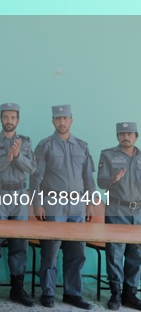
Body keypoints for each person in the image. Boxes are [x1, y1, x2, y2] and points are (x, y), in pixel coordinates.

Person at [30, 104, 95, 310]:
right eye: (58, 119)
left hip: (77, 206)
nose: (62, 122)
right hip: (53, 204)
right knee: (51, 251)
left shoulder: (82, 146)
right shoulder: (45, 146)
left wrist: (90, 203)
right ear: (53, 121)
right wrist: (37, 204)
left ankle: (72, 293)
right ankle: (48, 292)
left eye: (65, 118)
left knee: (77, 252)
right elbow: (36, 179)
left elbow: (88, 179)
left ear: (71, 120)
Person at [0, 103, 35, 306]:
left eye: (13, 117)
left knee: (19, 243)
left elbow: (32, 168)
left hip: (20, 195)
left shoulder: (26, 143)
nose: (9, 121)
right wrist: (7, 158)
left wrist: (18, 156)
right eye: (5, 117)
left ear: (18, 120)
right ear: (1, 119)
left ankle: (17, 289)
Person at [97, 122, 141, 311]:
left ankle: (130, 293)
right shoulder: (108, 154)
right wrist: (112, 179)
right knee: (115, 253)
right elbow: (100, 181)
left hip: (138, 212)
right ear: (117, 137)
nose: (126, 137)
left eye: (129, 133)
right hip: (117, 210)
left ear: (136, 136)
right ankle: (115, 294)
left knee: (136, 254)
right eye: (122, 134)